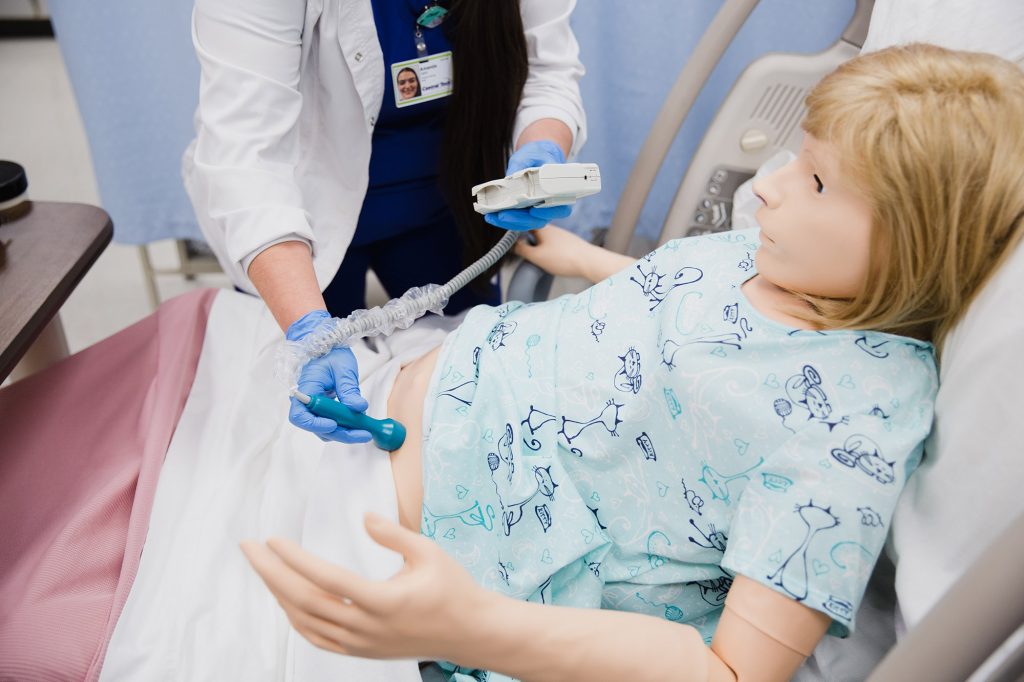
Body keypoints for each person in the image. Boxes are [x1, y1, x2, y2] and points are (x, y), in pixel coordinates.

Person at [242, 44, 1024, 682]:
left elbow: (734, 672)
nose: (767, 187)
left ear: (913, 241)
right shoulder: (789, 263)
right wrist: (586, 261)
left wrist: (473, 627)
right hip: (404, 389)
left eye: (816, 180)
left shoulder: (849, 433)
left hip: (424, 546)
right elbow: (691, 311)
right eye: (794, 158)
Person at [183, 0, 586, 440]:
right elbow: (248, 160)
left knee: (473, 389)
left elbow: (546, 72)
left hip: (442, 201)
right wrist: (307, 329)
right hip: (297, 219)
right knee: (298, 425)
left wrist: (541, 148)